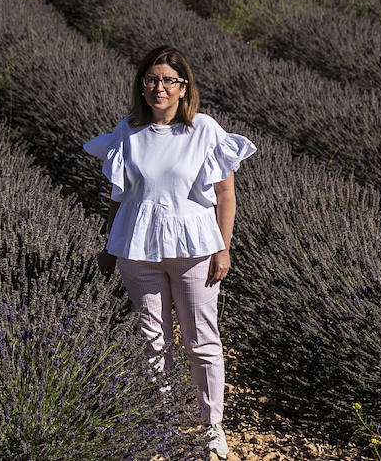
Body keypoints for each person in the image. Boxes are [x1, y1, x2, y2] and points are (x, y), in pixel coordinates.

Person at [85, 46, 254, 460]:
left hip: (194, 248)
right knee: (151, 338)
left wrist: (223, 248)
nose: (158, 87)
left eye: (167, 81)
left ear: (183, 88)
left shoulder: (204, 130)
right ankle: (157, 420)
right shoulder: (127, 129)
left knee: (201, 339)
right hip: (138, 248)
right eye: (151, 80)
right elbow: (119, 194)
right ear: (141, 86)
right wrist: (109, 246)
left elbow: (226, 194)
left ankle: (210, 425)